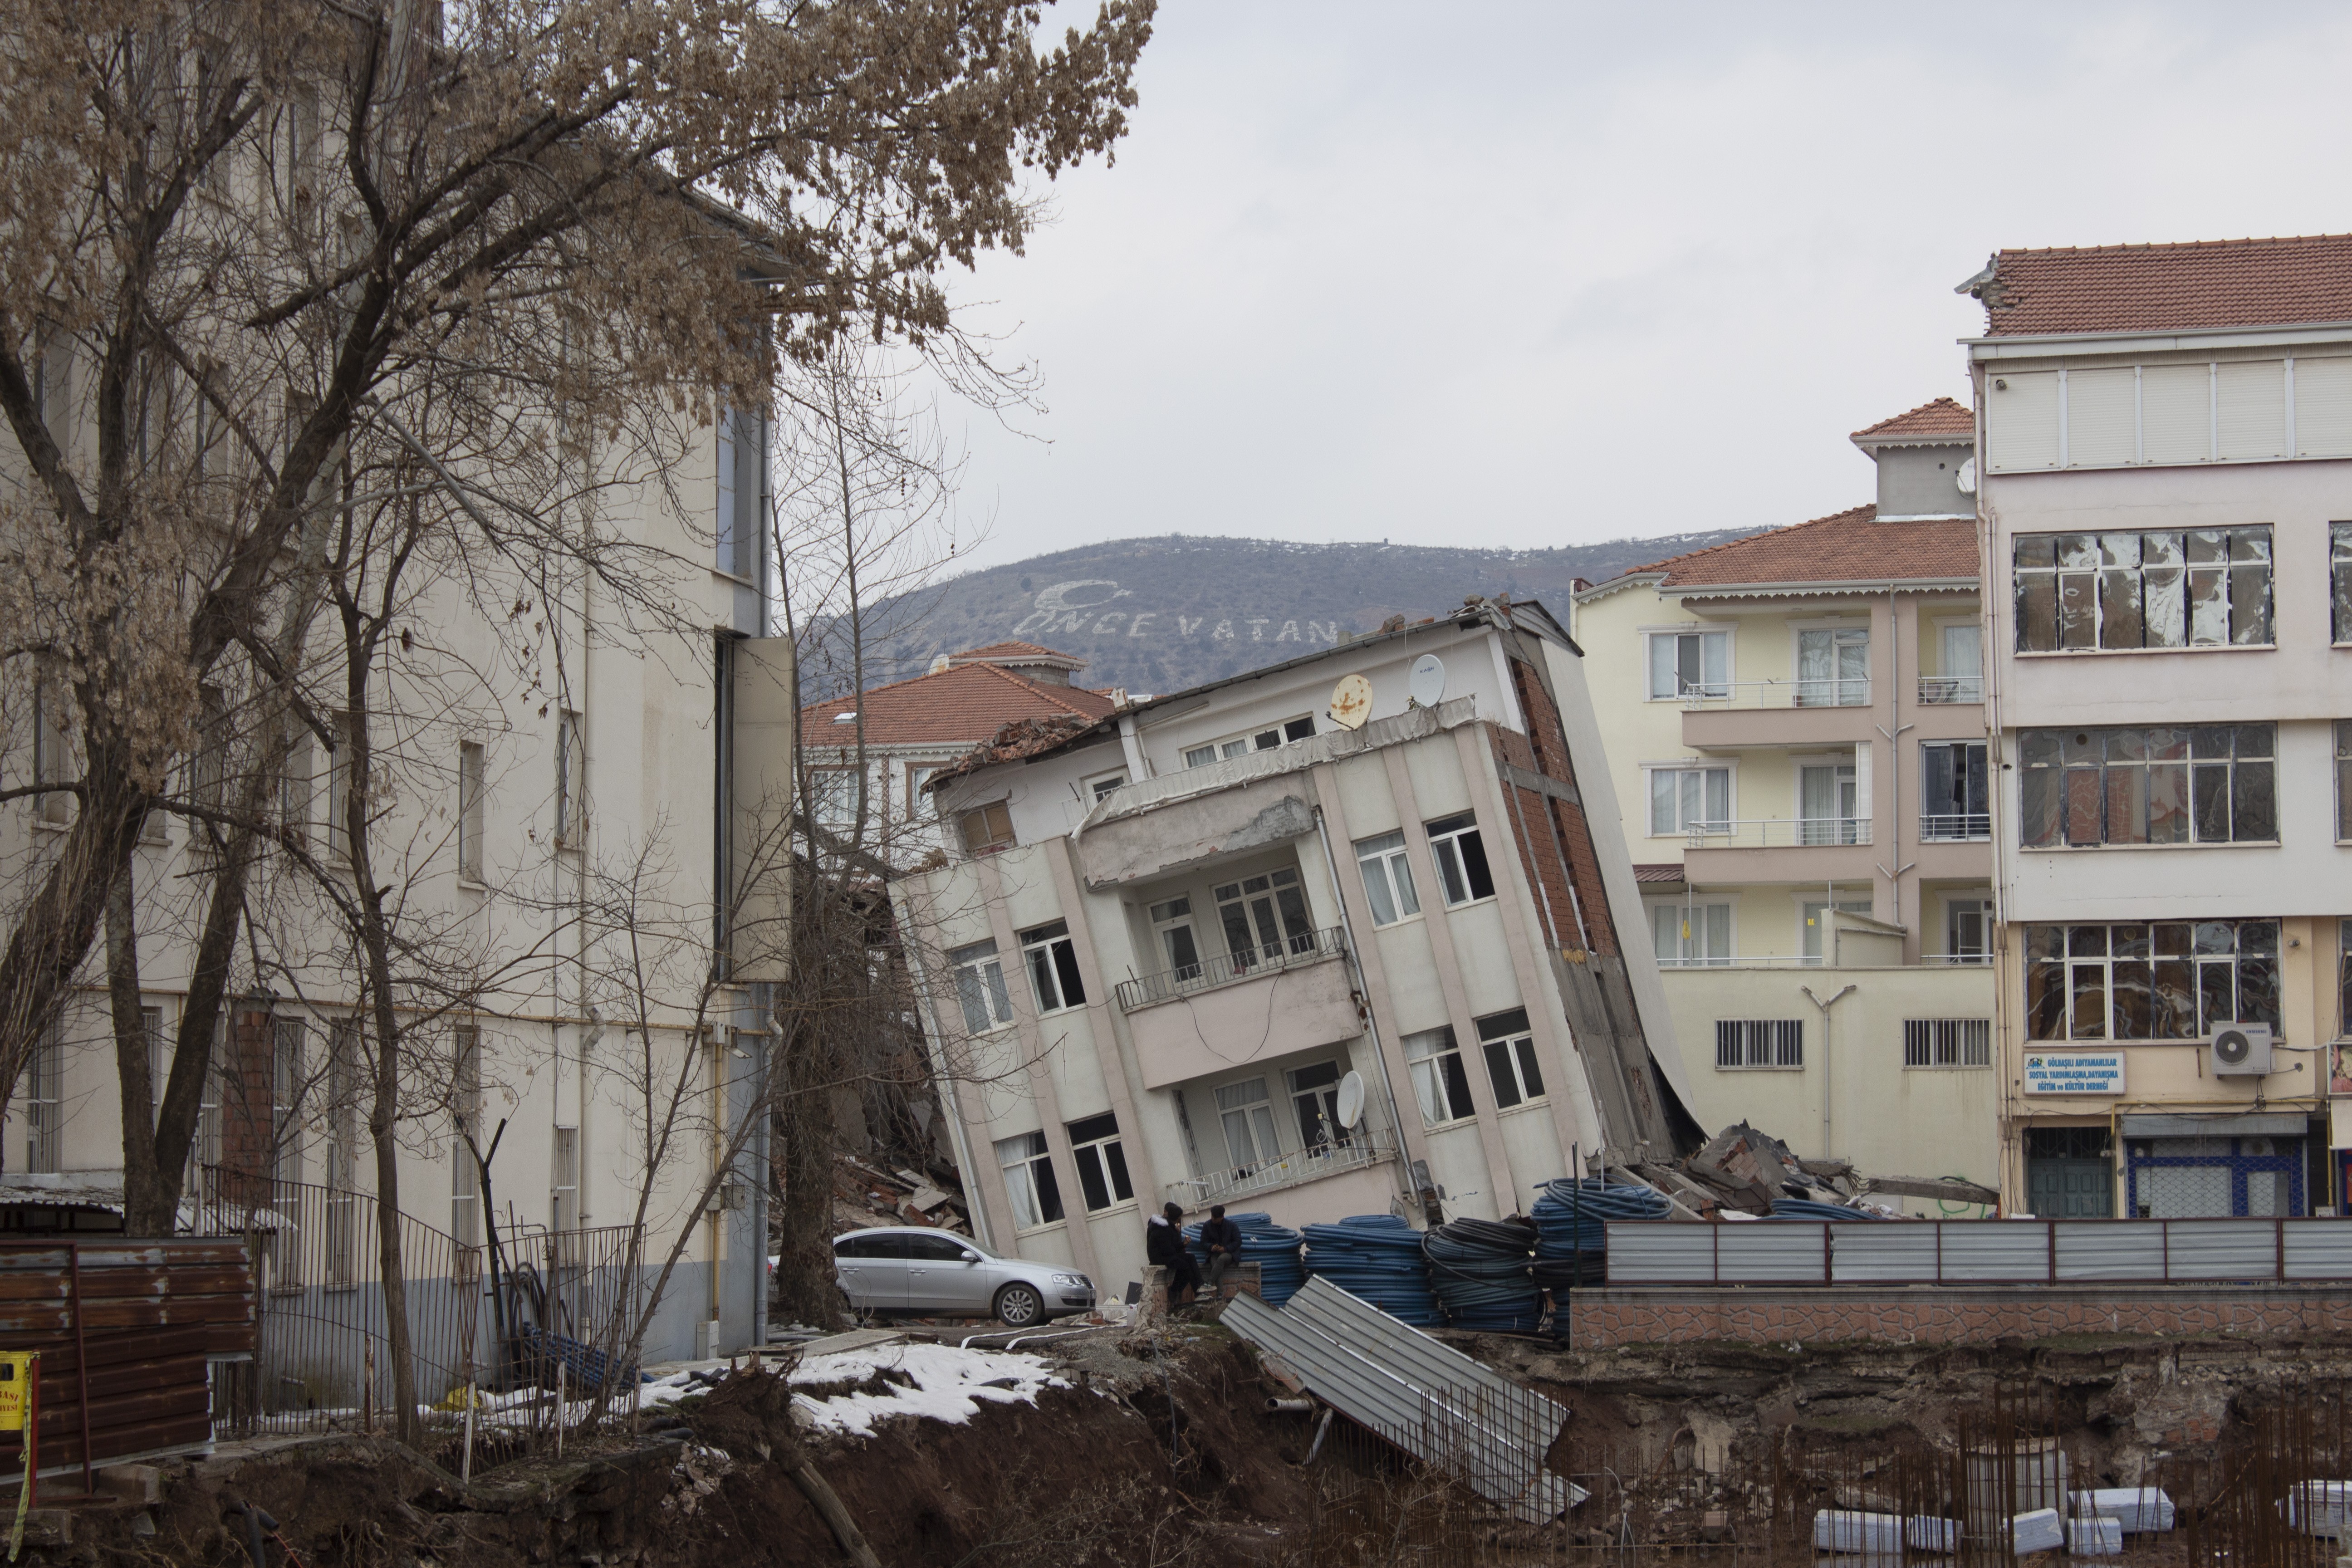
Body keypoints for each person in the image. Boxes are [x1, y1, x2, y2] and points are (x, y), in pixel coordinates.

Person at [1146, 1202, 1202, 1308]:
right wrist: (1179, 1243)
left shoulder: (1168, 1226)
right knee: (1186, 1266)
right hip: (1159, 1258)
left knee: (1190, 1258)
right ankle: (1184, 1290)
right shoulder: (1162, 1228)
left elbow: (1171, 1246)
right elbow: (1168, 1249)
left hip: (1166, 1254)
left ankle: (1200, 1286)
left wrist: (1182, 1244)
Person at [1200, 1205, 1244, 1291]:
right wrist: (1211, 1247)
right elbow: (1203, 1242)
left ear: (1222, 1217)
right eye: (1212, 1216)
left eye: (1216, 1218)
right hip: (1214, 1253)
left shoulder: (1231, 1225)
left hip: (1230, 1253)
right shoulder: (1207, 1225)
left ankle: (1209, 1283)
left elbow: (1238, 1241)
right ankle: (1220, 1294)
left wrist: (1226, 1249)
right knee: (1215, 1265)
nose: (1213, 1219)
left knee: (1221, 1259)